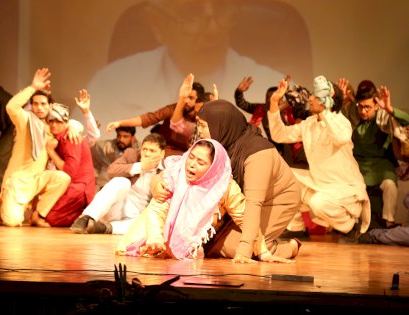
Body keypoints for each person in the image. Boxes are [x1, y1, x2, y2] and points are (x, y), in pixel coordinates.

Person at [86, 0, 305, 142]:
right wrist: (119, 122)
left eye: (221, 14)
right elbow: (153, 119)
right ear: (156, 25)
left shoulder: (264, 77)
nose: (212, 30)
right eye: (191, 17)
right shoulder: (110, 82)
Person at [116, 139, 300, 261]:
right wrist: (155, 237)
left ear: (213, 167)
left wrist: (262, 251)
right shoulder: (175, 173)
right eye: (191, 157)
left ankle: (291, 247)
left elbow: (245, 217)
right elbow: (156, 209)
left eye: (201, 162)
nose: (191, 164)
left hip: (186, 251)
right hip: (151, 235)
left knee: (235, 250)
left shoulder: (223, 185)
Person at [267, 76, 371, 243]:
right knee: (284, 176)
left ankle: (352, 226)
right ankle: (297, 228)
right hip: (319, 183)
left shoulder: (340, 122)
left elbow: (340, 138)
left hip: (344, 188)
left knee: (318, 202)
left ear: (326, 101)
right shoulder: (309, 123)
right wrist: (274, 103)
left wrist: (325, 112)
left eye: (316, 96)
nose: (310, 98)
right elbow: (279, 134)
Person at [195, 100, 302, 263]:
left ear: (220, 125)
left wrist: (244, 251)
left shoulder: (257, 153)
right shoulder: (225, 145)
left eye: (203, 125)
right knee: (211, 243)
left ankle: (289, 247)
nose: (199, 131)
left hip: (277, 201)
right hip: (243, 204)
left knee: (234, 246)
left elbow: (254, 203)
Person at [0, 68, 77, 227]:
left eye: (43, 104)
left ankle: (37, 215)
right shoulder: (26, 121)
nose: (39, 108)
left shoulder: (52, 126)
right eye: (35, 104)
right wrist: (33, 87)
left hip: (37, 181)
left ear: (50, 106)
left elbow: (71, 123)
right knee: (12, 222)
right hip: (18, 182)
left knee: (63, 178)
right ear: (31, 106)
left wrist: (74, 126)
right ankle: (5, 208)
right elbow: (11, 107)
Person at [70, 133, 166, 235]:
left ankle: (102, 228)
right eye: (144, 149)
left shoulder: (166, 171)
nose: (147, 154)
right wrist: (140, 166)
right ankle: (86, 217)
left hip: (135, 217)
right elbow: (111, 171)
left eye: (152, 151)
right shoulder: (132, 154)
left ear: (162, 153)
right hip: (116, 209)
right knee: (121, 182)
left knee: (148, 223)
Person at [351, 80, 409, 229]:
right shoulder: (354, 116)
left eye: (367, 107)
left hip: (381, 164)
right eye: (361, 107)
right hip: (359, 166)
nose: (364, 111)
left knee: (390, 185)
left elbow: (406, 119)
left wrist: (389, 108)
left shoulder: (381, 117)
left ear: (376, 105)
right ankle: (352, 225)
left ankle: (389, 222)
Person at [105, 79, 205, 157]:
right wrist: (120, 123)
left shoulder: (202, 117)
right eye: (184, 96)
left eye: (191, 98)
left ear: (199, 101)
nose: (186, 100)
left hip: (186, 156)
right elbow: (148, 118)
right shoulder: (173, 109)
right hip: (163, 151)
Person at [41, 96, 98, 228]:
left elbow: (69, 172)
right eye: (51, 121)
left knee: (50, 218)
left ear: (65, 122)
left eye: (58, 121)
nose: (54, 125)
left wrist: (51, 151)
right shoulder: (57, 137)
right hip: (70, 186)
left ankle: (87, 216)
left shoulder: (70, 137)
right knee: (43, 210)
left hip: (79, 187)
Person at [90, 125, 139, 191]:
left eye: (125, 136)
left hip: (128, 188)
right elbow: (91, 147)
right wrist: (92, 135)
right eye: (119, 136)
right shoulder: (106, 146)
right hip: (105, 184)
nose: (121, 139)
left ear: (133, 138)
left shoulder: (138, 150)